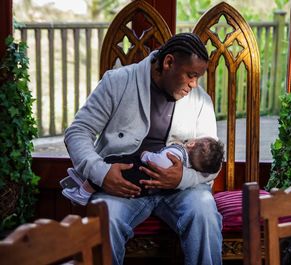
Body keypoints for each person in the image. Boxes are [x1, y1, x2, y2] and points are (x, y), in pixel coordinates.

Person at [64, 32, 223, 265]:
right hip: (123, 186)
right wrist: (102, 172)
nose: (194, 84)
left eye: (198, 77)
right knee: (106, 220)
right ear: (168, 62)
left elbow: (213, 164)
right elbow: (77, 132)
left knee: (205, 212)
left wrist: (181, 178)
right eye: (191, 75)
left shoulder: (201, 101)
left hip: (181, 191)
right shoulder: (117, 82)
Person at [62, 136, 224, 206]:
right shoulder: (189, 160)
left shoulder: (176, 154)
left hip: (143, 173)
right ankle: (85, 178)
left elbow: (157, 161)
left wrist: (147, 155)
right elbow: (212, 166)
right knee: (109, 172)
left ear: (191, 144)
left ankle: (83, 193)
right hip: (148, 185)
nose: (193, 83)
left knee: (112, 163)